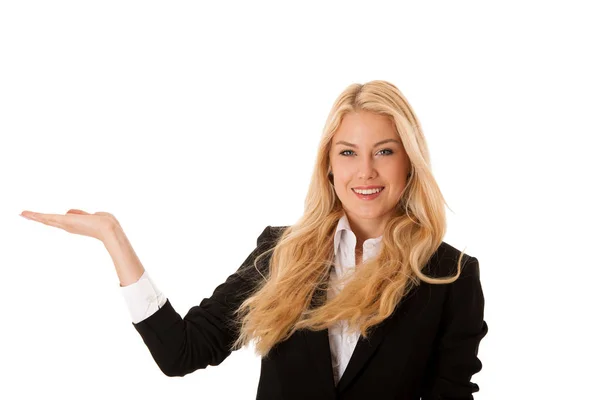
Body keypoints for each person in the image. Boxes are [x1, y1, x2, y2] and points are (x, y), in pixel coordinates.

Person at [20, 80, 488, 399]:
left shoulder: (450, 275)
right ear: (328, 165)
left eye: (384, 151)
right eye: (348, 153)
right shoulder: (282, 252)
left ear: (410, 163)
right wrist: (112, 236)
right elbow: (181, 352)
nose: (365, 171)